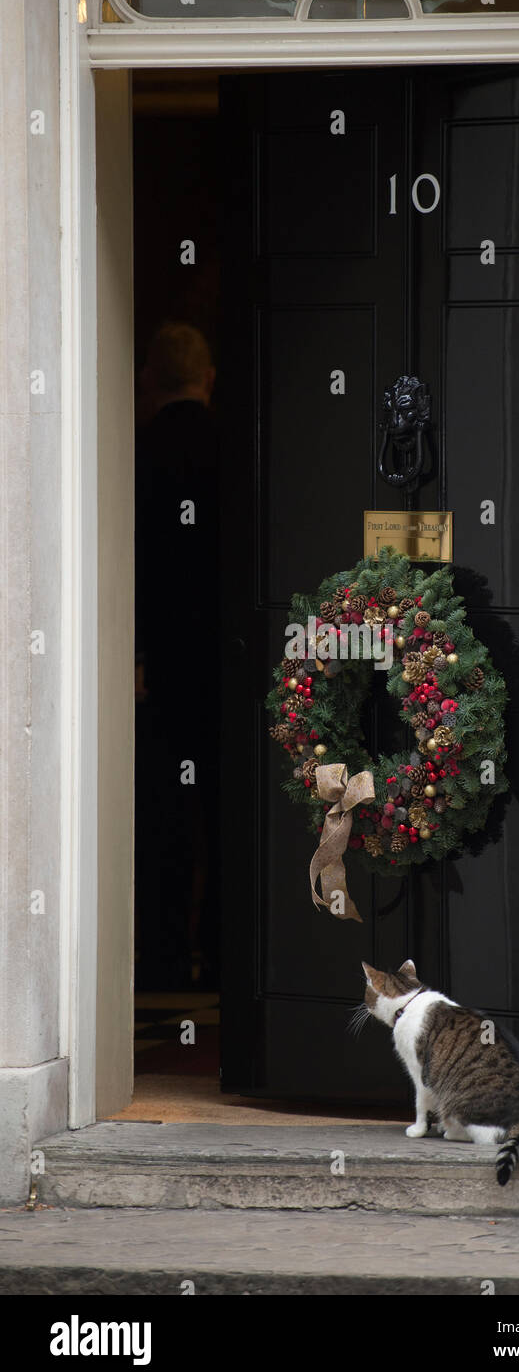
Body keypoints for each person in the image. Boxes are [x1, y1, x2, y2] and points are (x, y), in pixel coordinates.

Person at [135, 323, 221, 991]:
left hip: (157, 662)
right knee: (223, 808)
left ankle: (164, 958)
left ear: (145, 379)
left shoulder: (135, 451)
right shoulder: (231, 445)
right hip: (225, 659)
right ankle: (226, 951)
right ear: (209, 376)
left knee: (164, 812)